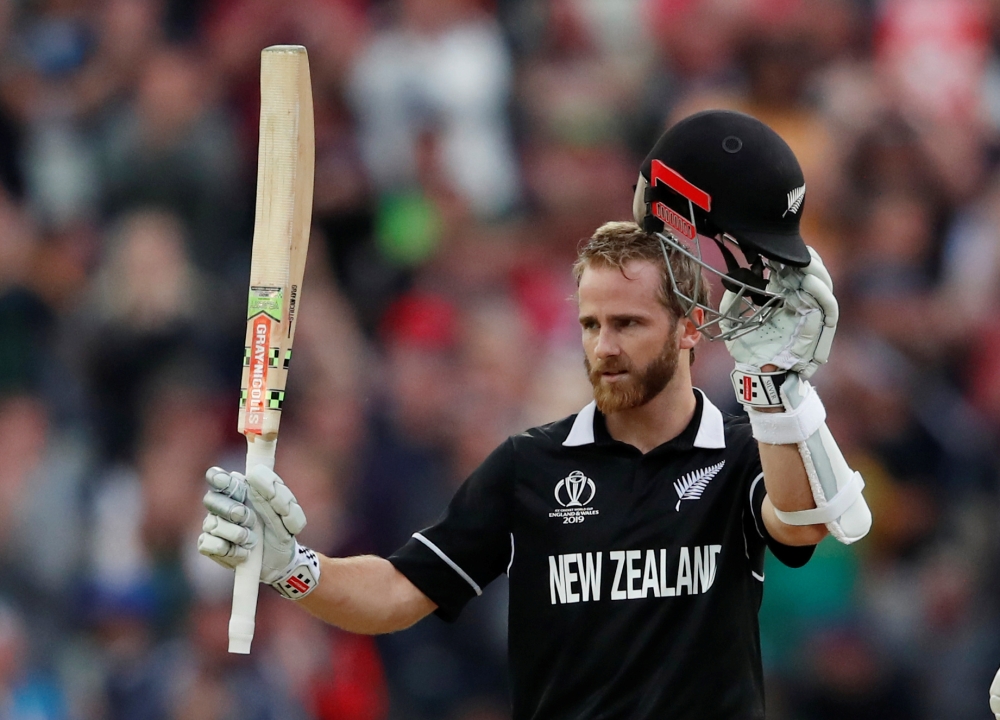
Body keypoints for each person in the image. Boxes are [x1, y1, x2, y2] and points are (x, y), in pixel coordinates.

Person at [198, 110, 872, 719]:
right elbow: (401, 590)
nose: (604, 348)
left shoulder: (740, 451)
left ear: (690, 328)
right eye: (591, 324)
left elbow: (800, 524)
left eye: (629, 324)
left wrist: (775, 389)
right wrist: (292, 566)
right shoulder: (530, 465)